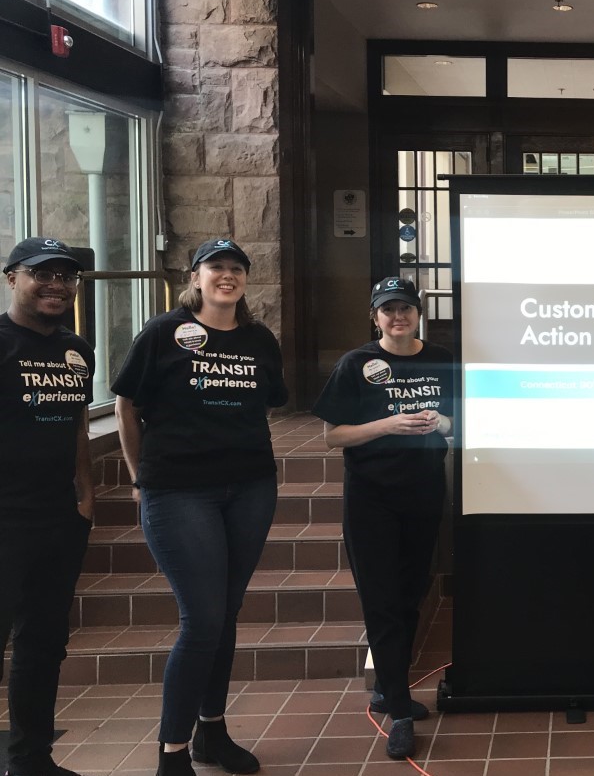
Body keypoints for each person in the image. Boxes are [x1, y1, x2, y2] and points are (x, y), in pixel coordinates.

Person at [112, 239, 287, 776]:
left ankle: (212, 731)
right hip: (179, 490)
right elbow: (126, 406)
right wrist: (140, 477)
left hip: (250, 488)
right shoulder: (163, 333)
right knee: (203, 619)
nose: (227, 276)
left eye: (236, 268)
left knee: (226, 613)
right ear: (195, 277)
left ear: (245, 280)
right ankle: (172, 754)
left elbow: (267, 403)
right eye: (216, 267)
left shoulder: (259, 339)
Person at [311, 277, 454, 761]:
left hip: (424, 491)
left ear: (418, 314)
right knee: (382, 600)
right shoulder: (355, 364)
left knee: (410, 595)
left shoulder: (440, 360)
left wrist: (442, 423)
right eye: (388, 309)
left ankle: (388, 688)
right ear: (375, 317)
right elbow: (333, 436)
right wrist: (388, 424)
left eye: (406, 308)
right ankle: (398, 711)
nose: (398, 317)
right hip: (371, 497)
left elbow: (463, 420)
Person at [0, 238, 94, 776]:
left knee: (43, 643)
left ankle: (31, 760)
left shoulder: (77, 350)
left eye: (66, 275)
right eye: (43, 274)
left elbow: (78, 424)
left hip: (59, 517)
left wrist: (85, 494)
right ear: (12, 277)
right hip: (5, 518)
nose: (56, 284)